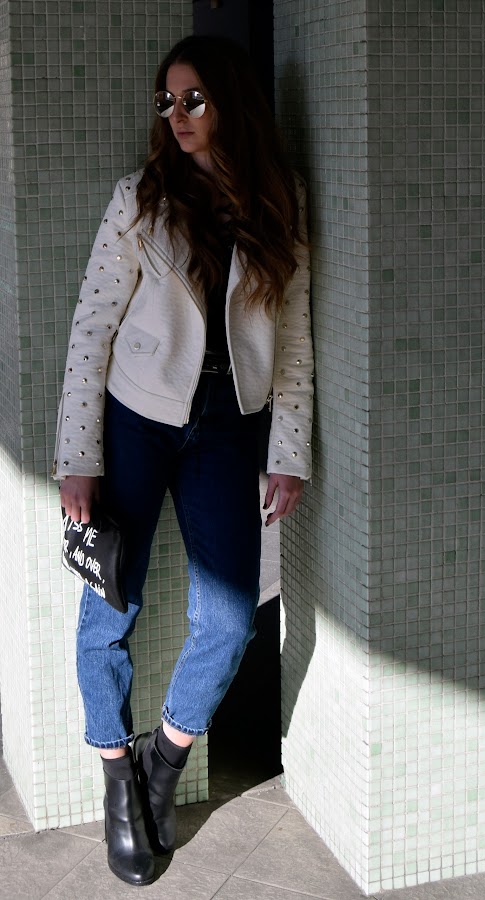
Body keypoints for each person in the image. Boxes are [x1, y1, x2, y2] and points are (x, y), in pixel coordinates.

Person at [53, 35, 313, 887]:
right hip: (136, 421)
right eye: (167, 102)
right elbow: (91, 330)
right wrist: (77, 457)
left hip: (231, 426)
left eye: (193, 98)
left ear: (231, 102)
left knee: (230, 619)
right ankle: (114, 775)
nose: (177, 116)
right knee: (110, 608)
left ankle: (161, 763)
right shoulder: (140, 198)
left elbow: (294, 340)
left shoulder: (280, 201)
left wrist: (289, 453)